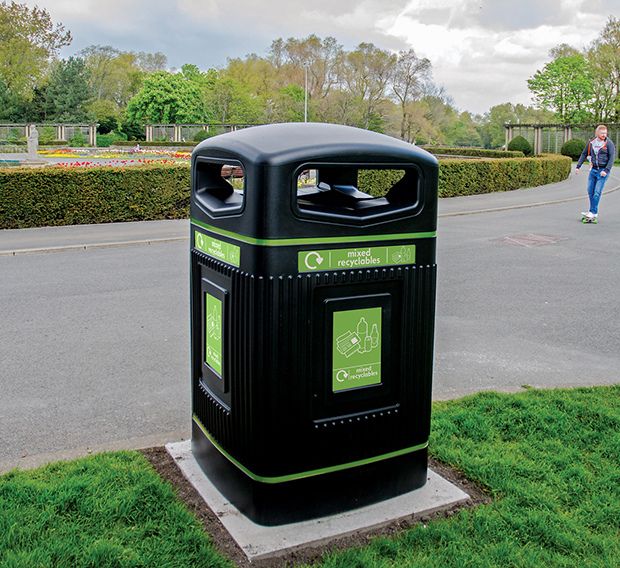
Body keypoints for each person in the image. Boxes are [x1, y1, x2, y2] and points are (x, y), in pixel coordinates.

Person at [576, 124, 616, 222]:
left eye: (605, 133)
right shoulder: (591, 142)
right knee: (590, 191)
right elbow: (584, 153)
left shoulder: (609, 143)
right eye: (602, 133)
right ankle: (592, 211)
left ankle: (593, 212)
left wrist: (606, 170)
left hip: (602, 171)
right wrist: (578, 166)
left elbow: (612, 158)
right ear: (597, 133)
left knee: (597, 193)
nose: (604, 135)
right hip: (593, 170)